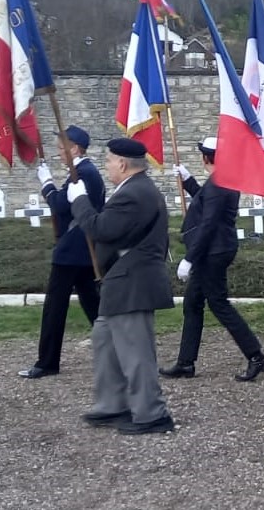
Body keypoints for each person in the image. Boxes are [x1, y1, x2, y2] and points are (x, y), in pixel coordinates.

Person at [66, 138, 174, 435]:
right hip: (122, 282)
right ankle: (113, 404)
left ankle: (152, 413)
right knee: (105, 340)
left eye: (109, 161)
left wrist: (79, 200)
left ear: (123, 164)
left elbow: (102, 229)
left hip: (133, 283)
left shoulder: (135, 193)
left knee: (135, 352)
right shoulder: (134, 189)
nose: (107, 166)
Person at [160, 137, 264, 382]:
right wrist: (188, 180)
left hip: (212, 252)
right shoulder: (223, 179)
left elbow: (208, 223)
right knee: (192, 303)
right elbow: (205, 202)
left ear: (205, 158)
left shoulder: (219, 182)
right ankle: (186, 362)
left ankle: (256, 356)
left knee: (219, 304)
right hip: (214, 249)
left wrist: (190, 258)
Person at [18, 125, 105, 379]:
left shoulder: (82, 173)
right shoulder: (85, 171)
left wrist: (47, 183)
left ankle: (47, 362)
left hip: (72, 251)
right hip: (83, 250)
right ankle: (119, 350)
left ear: (74, 148)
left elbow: (60, 205)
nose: (58, 153)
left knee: (55, 307)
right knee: (94, 306)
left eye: (61, 148)